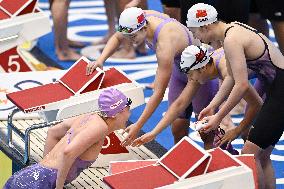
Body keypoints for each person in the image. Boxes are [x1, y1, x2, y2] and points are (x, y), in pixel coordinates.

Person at [86, 7, 222, 147]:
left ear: (144, 28)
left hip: (201, 76)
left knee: (206, 133)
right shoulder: (139, 19)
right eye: (128, 36)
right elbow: (117, 36)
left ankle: (217, 162)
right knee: (177, 127)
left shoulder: (165, 44)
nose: (131, 41)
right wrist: (101, 59)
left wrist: (138, 125)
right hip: (180, 70)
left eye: (133, 36)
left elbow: (158, 93)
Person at [187, 3, 284, 189]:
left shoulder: (231, 40)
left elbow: (242, 85)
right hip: (277, 89)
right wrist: (213, 106)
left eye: (195, 32)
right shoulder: (231, 32)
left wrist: (218, 117)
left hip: (280, 92)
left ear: (205, 26)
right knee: (262, 156)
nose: (196, 38)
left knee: (249, 155)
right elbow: (231, 78)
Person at [131, 45, 262, 153]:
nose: (190, 79)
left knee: (253, 148)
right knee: (249, 140)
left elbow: (257, 104)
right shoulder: (202, 69)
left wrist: (236, 130)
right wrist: (154, 133)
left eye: (190, 75)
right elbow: (179, 104)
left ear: (203, 68)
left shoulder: (228, 70)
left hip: (275, 80)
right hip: (264, 77)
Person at [4, 88, 132, 189]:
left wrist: (44, 166)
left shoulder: (89, 117)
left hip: (31, 175)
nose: (130, 114)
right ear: (116, 113)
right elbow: (68, 152)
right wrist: (58, 187)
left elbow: (53, 132)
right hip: (39, 184)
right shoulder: (100, 128)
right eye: (128, 109)